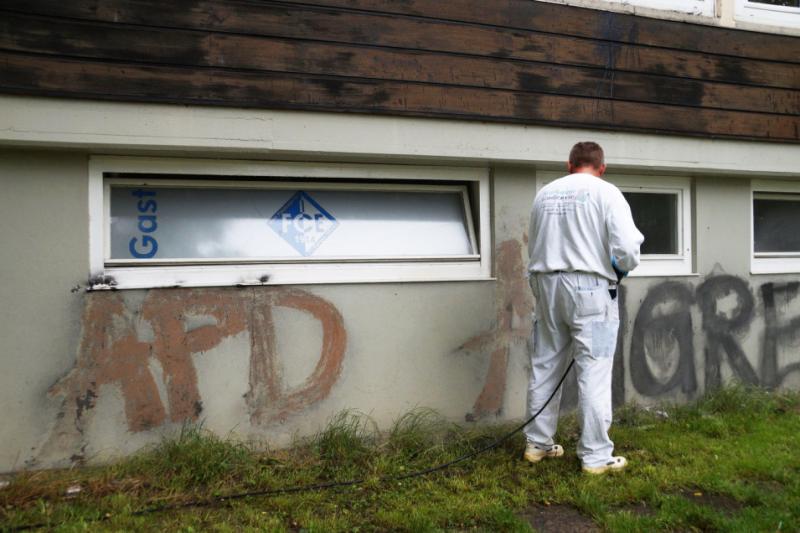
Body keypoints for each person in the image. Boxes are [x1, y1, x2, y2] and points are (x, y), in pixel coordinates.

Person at [523, 141, 643, 474]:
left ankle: (538, 445)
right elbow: (628, 249)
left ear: (569, 164)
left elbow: (534, 242)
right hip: (589, 286)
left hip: (546, 283)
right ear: (601, 167)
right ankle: (595, 457)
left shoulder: (544, 194)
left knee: (545, 363)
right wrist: (619, 269)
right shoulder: (606, 193)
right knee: (593, 370)